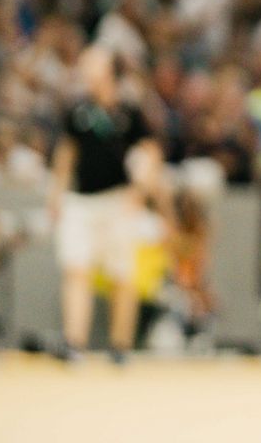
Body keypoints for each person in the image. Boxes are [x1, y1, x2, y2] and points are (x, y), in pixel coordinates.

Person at [49, 46, 176, 363]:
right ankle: (74, 343)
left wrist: (141, 192)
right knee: (77, 269)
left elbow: (150, 153)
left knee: (123, 273)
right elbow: (66, 154)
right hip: (81, 201)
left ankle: (120, 346)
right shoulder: (78, 111)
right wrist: (56, 193)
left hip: (118, 201)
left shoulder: (130, 112)